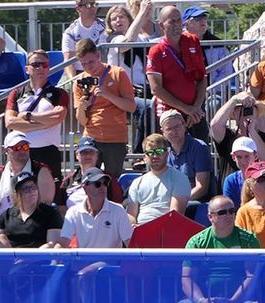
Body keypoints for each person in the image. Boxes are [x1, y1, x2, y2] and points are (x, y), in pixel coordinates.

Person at [5, 49, 70, 194]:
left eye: (44, 65)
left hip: (48, 151)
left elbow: (58, 118)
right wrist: (45, 122)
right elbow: (10, 122)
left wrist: (28, 116)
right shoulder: (16, 93)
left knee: (52, 197)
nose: (40, 68)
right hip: (22, 152)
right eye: (35, 64)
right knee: (21, 194)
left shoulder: (59, 93)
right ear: (27, 69)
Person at [72, 38, 135, 181]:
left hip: (115, 138)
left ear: (98, 56)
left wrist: (107, 95)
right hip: (91, 138)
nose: (88, 67)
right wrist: (82, 106)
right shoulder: (79, 81)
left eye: (91, 62)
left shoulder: (118, 73)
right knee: (88, 181)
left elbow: (131, 106)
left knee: (112, 181)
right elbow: (82, 120)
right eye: (83, 64)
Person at [146, 5, 208, 138]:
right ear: (162, 26)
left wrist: (196, 108)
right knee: (173, 155)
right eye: (171, 21)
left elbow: (202, 78)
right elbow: (156, 89)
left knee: (201, 151)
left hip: (195, 113)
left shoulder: (192, 42)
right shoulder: (156, 51)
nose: (177, 25)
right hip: (170, 114)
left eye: (178, 20)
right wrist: (186, 109)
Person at [0, 130, 56, 213]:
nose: (22, 151)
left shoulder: (41, 171)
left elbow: (46, 205)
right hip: (4, 222)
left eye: (25, 147)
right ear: (6, 151)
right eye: (17, 148)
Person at [61, 167, 133, 248]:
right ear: (85, 188)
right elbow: (63, 243)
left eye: (105, 183)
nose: (103, 187)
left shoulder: (118, 210)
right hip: (85, 261)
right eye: (97, 184)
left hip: (111, 261)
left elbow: (130, 243)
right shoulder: (73, 212)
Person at [125, 134, 189, 224]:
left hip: (166, 230)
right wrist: (132, 226)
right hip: (140, 230)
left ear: (167, 154)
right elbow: (131, 215)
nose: (155, 156)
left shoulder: (180, 178)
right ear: (145, 157)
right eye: (150, 152)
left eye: (159, 151)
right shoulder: (137, 182)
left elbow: (175, 215)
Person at [160, 109, 212, 216]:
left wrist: (178, 201)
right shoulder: (164, 151)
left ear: (184, 125)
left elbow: (201, 188)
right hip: (171, 200)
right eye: (169, 129)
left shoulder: (199, 147)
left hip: (194, 200)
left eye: (177, 127)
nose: (174, 132)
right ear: (163, 132)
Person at [0, 172, 63, 248]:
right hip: (12, 258)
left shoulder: (51, 214)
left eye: (33, 187)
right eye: (26, 188)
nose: (31, 191)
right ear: (16, 194)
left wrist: (30, 257)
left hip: (40, 257)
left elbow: (52, 244)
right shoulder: (6, 216)